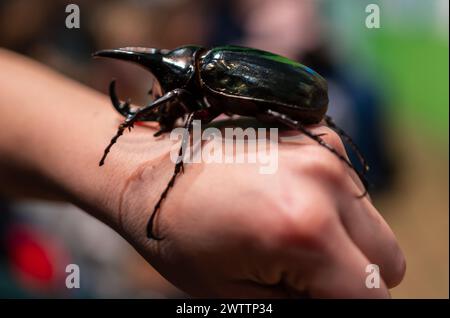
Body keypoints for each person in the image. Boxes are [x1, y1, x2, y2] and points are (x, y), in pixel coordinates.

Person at [0, 49, 405, 298]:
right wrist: (134, 182)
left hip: (298, 100)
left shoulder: (207, 75)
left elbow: (186, 112)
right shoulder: (198, 79)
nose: (162, 102)